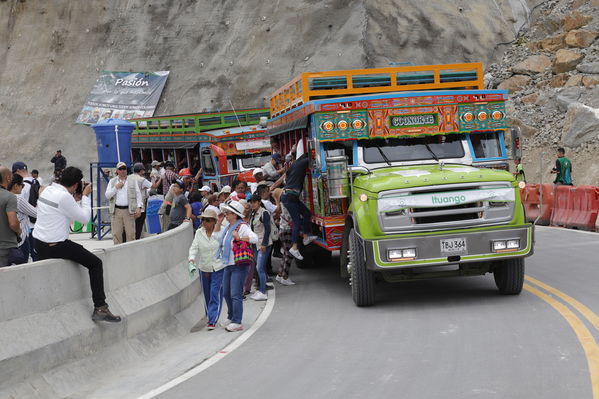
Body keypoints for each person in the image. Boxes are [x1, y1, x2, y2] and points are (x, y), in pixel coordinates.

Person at [33, 167, 121, 322]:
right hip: (55, 246)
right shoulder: (64, 197)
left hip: (38, 243)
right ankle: (100, 307)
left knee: (77, 251)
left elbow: (64, 209)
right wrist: (85, 196)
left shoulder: (47, 190)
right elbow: (85, 219)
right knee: (95, 263)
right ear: (75, 185)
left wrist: (76, 197)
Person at [216, 201, 258, 332]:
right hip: (228, 264)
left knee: (235, 294)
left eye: (227, 213)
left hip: (239, 265)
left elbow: (254, 238)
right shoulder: (228, 227)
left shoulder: (242, 226)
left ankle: (237, 321)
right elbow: (217, 238)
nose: (226, 215)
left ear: (234, 214)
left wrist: (239, 237)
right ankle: (231, 316)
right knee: (226, 293)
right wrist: (218, 222)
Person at [188, 208, 224, 330]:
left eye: (208, 220)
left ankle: (212, 320)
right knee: (207, 294)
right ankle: (210, 315)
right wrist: (191, 258)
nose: (205, 222)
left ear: (214, 221)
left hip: (218, 267)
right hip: (204, 268)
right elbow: (194, 247)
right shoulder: (199, 233)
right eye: (203, 220)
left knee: (215, 293)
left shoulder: (221, 232)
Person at [280, 152, 316, 260]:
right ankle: (294, 247)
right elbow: (315, 162)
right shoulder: (304, 162)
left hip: (290, 195)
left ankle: (305, 237)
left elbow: (286, 174)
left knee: (306, 213)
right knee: (297, 221)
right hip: (290, 196)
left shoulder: (295, 164)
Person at [105, 162, 143, 244]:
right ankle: (118, 253)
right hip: (116, 210)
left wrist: (139, 207)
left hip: (129, 211)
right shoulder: (112, 181)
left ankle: (131, 253)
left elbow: (138, 194)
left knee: (131, 234)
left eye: (124, 169)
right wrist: (116, 187)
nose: (122, 171)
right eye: (120, 169)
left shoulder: (132, 181)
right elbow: (107, 195)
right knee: (116, 234)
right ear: (117, 171)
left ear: (126, 170)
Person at [246, 194, 272, 301]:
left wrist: (264, 244)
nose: (252, 204)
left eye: (254, 202)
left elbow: (268, 230)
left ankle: (263, 292)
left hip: (263, 244)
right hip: (255, 244)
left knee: (259, 268)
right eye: (251, 202)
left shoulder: (264, 213)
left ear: (259, 202)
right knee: (259, 266)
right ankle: (262, 288)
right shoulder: (253, 213)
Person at [8, 174, 36, 264]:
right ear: (16, 186)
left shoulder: (3, 197)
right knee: (22, 270)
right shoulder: (18, 199)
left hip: (6, 242)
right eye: (22, 185)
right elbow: (36, 213)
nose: (23, 188)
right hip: (20, 241)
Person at [273, 188, 295, 285]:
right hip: (287, 230)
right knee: (289, 254)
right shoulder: (285, 204)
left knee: (286, 253)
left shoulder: (281, 204)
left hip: (282, 229)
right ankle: (285, 277)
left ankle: (280, 274)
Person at [133, 162, 160, 239]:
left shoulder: (130, 178)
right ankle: (136, 239)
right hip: (140, 205)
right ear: (141, 170)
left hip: (131, 205)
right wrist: (156, 178)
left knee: (132, 225)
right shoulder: (142, 180)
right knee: (138, 225)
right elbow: (154, 186)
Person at [0, 167, 21, 267]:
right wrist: (19, 230)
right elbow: (13, 223)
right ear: (8, 178)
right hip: (4, 247)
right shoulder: (9, 197)